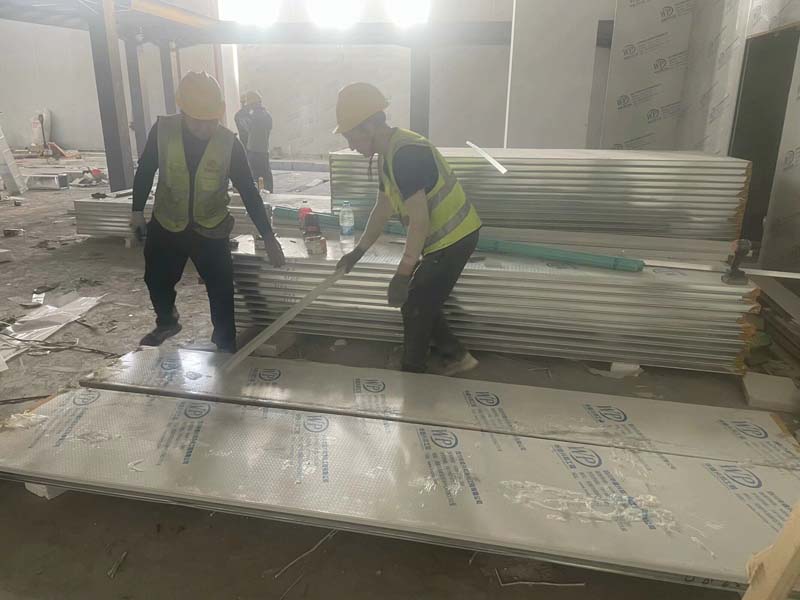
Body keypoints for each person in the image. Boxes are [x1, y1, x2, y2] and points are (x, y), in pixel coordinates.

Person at [129, 71, 285, 353]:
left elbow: (249, 191)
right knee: (156, 278)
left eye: (211, 120)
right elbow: (146, 169)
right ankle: (167, 321)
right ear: (183, 113)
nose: (205, 128)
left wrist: (268, 236)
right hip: (167, 220)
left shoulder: (229, 143)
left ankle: (225, 342)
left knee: (221, 287)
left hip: (211, 226)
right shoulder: (163, 131)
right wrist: (137, 211)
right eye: (198, 121)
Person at [333, 82, 482, 375]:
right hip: (443, 239)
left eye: (351, 137)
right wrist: (358, 252)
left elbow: (419, 220)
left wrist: (403, 273)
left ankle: (413, 370)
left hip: (454, 238)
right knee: (421, 300)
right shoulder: (388, 154)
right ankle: (457, 355)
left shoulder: (405, 155)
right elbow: (382, 209)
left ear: (369, 127)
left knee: (415, 303)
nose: (351, 145)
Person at [242, 90, 274, 193]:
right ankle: (268, 194)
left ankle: (259, 195)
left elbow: (245, 127)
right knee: (266, 176)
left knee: (255, 178)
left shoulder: (253, 116)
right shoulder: (267, 115)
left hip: (254, 151)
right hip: (264, 150)